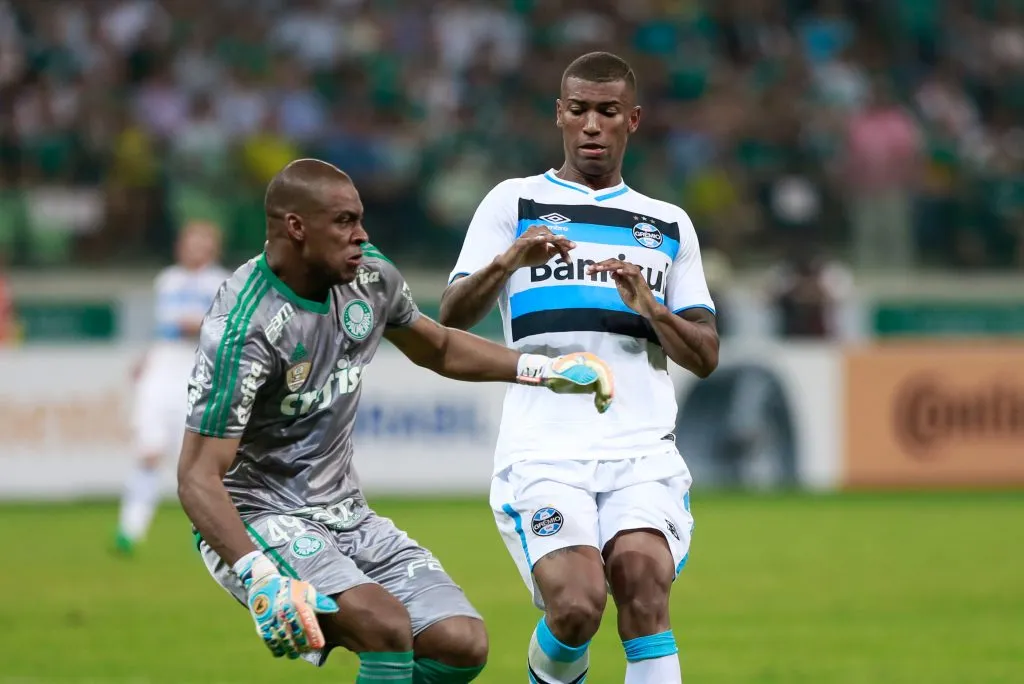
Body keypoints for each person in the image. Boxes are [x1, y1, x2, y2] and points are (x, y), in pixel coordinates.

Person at [177, 158, 614, 684]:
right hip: (259, 519)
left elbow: (439, 347)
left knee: (460, 644)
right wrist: (257, 573)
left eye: (360, 219)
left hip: (346, 513)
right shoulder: (243, 326)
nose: (361, 235)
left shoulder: (369, 276)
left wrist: (543, 369)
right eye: (344, 222)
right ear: (296, 227)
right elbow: (197, 476)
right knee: (383, 627)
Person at [439, 52, 719, 684]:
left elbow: (705, 354)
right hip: (545, 452)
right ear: (559, 115)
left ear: (632, 120)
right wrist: (508, 262)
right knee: (575, 608)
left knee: (644, 587)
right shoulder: (514, 202)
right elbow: (452, 316)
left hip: (641, 451)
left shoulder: (668, 224)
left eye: (608, 111)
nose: (593, 125)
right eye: (579, 110)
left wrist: (651, 307)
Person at [115, 220, 229, 554]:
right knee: (148, 452)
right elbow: (165, 328)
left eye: (201, 242)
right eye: (189, 242)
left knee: (194, 463)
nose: (193, 248)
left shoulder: (223, 283)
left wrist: (198, 325)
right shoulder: (167, 280)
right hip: (160, 371)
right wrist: (146, 357)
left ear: (212, 248)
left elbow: (223, 329)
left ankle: (209, 532)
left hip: (195, 373)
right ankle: (130, 530)